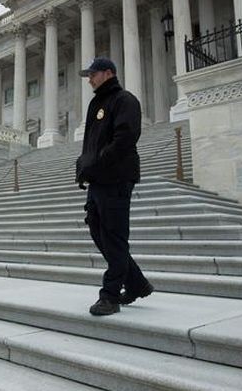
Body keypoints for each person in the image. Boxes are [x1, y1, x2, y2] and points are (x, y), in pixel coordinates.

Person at [76, 57, 153, 316]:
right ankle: (137, 283)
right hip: (98, 179)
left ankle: (109, 296)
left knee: (114, 236)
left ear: (108, 73)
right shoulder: (96, 103)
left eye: (93, 74)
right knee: (98, 231)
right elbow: (90, 143)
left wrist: (97, 162)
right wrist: (83, 167)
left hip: (117, 177)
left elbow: (126, 138)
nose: (89, 79)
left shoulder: (125, 100)